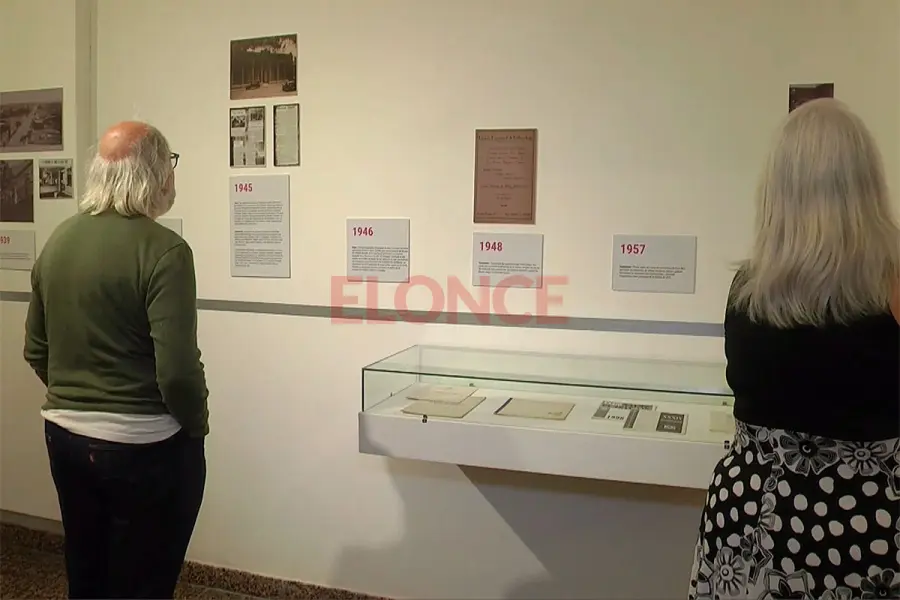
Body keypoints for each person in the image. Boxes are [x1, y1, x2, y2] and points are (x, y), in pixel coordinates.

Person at [688, 99, 900, 599]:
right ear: (867, 182)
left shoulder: (747, 289)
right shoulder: (893, 285)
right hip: (867, 523)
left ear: (777, 187)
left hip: (751, 517)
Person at [23, 121, 209, 599]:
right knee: (144, 583)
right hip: (146, 445)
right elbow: (177, 373)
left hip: (65, 437)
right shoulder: (166, 251)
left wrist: (79, 394)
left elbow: (36, 349)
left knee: (87, 573)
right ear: (155, 174)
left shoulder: (59, 240)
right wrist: (197, 424)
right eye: (170, 164)